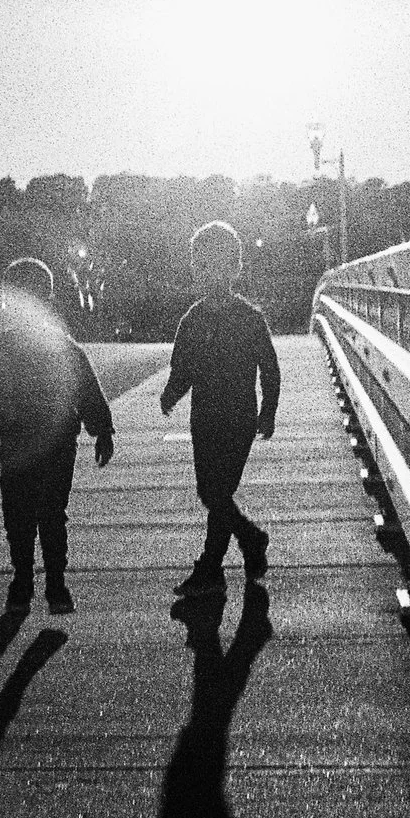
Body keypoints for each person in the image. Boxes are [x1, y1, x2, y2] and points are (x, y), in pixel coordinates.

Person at [0, 257, 114, 614]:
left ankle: (26, 580)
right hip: (55, 442)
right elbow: (87, 390)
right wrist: (102, 430)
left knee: (21, 513)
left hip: (20, 441)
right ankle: (53, 584)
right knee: (50, 513)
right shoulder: (62, 344)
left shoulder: (6, 345)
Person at [159, 220, 280, 600]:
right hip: (224, 416)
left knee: (214, 492)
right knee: (216, 492)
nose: (209, 272)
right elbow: (267, 367)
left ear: (231, 268)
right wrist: (173, 393)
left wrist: (171, 394)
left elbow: (185, 368)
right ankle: (232, 552)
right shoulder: (245, 316)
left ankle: (225, 558)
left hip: (226, 417)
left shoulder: (197, 319)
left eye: (212, 264)